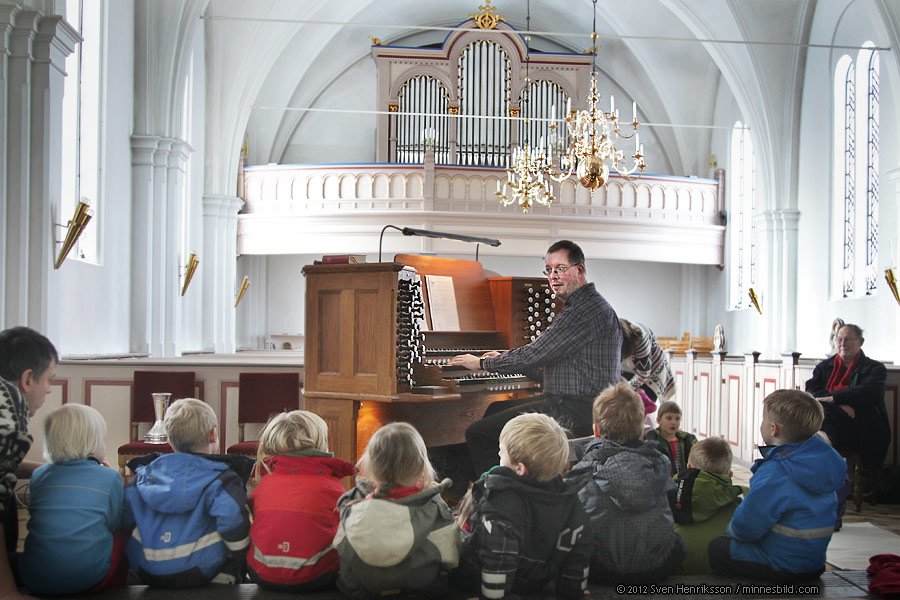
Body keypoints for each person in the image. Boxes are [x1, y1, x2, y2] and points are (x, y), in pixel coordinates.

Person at [450, 240, 622, 476]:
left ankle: (495, 496)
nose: (553, 276)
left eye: (560, 268)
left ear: (579, 270)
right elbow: (552, 366)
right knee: (494, 409)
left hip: (576, 410)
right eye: (549, 270)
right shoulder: (588, 306)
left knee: (478, 433)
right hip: (580, 404)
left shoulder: (582, 312)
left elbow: (534, 355)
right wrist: (504, 359)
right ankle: (489, 486)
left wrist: (480, 363)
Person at [709, 389, 846, 582]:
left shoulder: (777, 470)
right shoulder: (826, 463)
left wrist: (731, 531)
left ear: (773, 429)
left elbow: (746, 527)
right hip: (814, 565)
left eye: (763, 418)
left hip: (783, 567)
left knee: (718, 547)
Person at [454, 413, 591, 599]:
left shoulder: (501, 504)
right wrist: (574, 592)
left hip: (488, 578)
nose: (498, 454)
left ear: (520, 469)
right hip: (538, 580)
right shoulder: (570, 499)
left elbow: (498, 559)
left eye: (502, 451)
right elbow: (578, 555)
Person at [122, 398, 250, 587]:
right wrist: (238, 557)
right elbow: (233, 521)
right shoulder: (221, 478)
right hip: (203, 570)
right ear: (213, 435)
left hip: (147, 569)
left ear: (167, 439)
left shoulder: (143, 475)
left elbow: (125, 518)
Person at [566, 382, 686, 583]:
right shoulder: (658, 465)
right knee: (679, 543)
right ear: (641, 429)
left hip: (601, 568)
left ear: (596, 431)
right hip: (657, 566)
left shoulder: (584, 470)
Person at [333, 422, 459, 599]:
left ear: (371, 464)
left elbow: (342, 555)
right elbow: (452, 556)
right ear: (421, 465)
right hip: (423, 590)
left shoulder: (353, 501)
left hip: (360, 590)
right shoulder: (435, 507)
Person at [17, 404, 127, 594]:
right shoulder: (110, 477)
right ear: (93, 441)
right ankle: (119, 586)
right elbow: (114, 523)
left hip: (34, 578)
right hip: (89, 579)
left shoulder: (39, 475)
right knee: (123, 534)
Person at [246, 410, 355, 591]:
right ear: (321, 445)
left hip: (262, 573)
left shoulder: (263, 486)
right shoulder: (333, 488)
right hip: (316, 576)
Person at [0, 326, 57, 600]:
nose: (48, 390)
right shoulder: (10, 415)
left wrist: (43, 469)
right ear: (27, 379)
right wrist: (7, 591)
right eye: (48, 380)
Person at [805, 323, 889, 495]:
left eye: (848, 340)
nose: (843, 344)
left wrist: (835, 398)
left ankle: (821, 478)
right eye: (839, 339)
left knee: (822, 414)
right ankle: (828, 478)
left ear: (861, 342)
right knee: (821, 413)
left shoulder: (875, 368)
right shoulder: (824, 367)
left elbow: (870, 393)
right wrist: (840, 404)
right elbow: (811, 391)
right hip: (831, 423)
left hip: (861, 426)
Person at [669, 436, 746, 575]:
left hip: (674, 574)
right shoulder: (740, 509)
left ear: (688, 467)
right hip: (722, 578)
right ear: (730, 475)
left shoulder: (666, 499)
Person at [619, 318, 674, 403]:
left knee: (641, 411)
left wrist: (625, 389)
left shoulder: (640, 337)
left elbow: (644, 374)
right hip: (626, 374)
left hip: (649, 378)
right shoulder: (611, 335)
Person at [644, 400, 697, 476]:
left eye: (677, 419)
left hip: (682, 482)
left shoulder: (687, 440)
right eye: (669, 418)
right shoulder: (652, 441)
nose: (674, 422)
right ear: (659, 420)